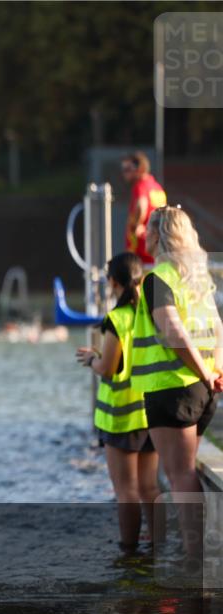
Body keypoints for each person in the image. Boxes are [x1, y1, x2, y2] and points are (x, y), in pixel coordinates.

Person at [131, 207, 223, 556]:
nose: (144, 237)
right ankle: (198, 549)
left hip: (172, 389)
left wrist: (203, 371)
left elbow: (172, 332)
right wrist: (215, 371)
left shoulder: (159, 278)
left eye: (147, 231)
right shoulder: (196, 278)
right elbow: (217, 328)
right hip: (202, 391)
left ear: (158, 236)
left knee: (179, 474)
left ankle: (194, 555)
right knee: (186, 471)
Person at [75, 253, 159, 552]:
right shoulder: (151, 315)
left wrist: (91, 360)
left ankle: (129, 550)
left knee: (126, 490)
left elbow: (109, 368)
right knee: (150, 487)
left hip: (122, 416)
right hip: (150, 411)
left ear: (113, 282)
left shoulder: (117, 318)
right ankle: (159, 545)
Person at [122, 151, 167, 265]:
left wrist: (137, 225)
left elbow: (141, 205)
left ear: (140, 169)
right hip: (156, 247)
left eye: (128, 169)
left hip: (140, 247)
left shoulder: (140, 186)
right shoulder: (157, 188)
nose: (124, 173)